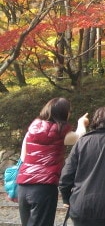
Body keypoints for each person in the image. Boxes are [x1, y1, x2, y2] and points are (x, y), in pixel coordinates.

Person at [16, 97, 88, 226]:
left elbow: (23, 157)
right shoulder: (60, 133)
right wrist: (81, 122)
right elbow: (79, 137)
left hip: (23, 186)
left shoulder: (31, 130)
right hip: (44, 188)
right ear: (63, 113)